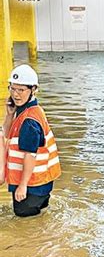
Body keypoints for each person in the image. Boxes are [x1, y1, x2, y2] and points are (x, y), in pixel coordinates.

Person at [2, 64, 61, 217]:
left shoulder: (29, 120)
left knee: (24, 222)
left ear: (33, 89)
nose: (15, 94)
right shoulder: (27, 110)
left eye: (21, 90)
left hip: (31, 184)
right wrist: (9, 115)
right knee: (39, 217)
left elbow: (30, 155)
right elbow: (7, 135)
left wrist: (22, 186)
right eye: (12, 88)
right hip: (41, 182)